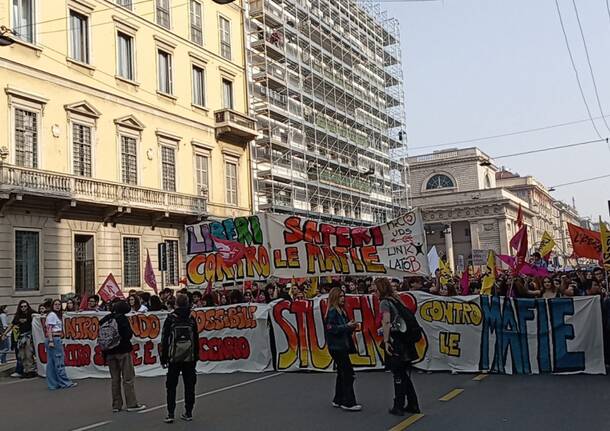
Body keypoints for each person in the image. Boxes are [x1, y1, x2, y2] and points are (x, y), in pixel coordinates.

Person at [376, 278, 420, 416]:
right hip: (406, 342)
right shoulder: (396, 300)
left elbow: (387, 321)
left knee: (398, 375)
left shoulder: (384, 302)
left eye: (375, 289)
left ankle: (399, 405)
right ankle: (413, 404)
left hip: (397, 342)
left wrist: (386, 340)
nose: (374, 292)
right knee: (404, 375)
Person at [99, 300, 146, 413]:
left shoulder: (105, 319)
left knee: (115, 379)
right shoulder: (122, 319)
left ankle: (116, 405)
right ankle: (131, 404)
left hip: (109, 352)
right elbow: (128, 335)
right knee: (128, 378)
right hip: (123, 351)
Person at [160, 294, 200, 423]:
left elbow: (165, 339)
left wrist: (164, 357)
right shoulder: (191, 318)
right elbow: (196, 339)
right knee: (189, 385)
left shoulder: (171, 318)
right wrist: (196, 356)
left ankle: (171, 413)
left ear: (176, 304)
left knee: (171, 386)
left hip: (174, 357)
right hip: (190, 357)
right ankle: (188, 412)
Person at [324, 287, 361, 412]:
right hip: (336, 346)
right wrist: (347, 326)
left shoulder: (341, 311)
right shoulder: (333, 311)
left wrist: (351, 326)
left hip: (341, 345)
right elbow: (331, 328)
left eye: (343, 296)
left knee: (342, 373)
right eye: (340, 296)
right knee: (348, 373)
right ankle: (348, 402)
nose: (343, 298)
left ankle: (338, 399)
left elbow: (341, 328)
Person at [45, 299, 77, 390]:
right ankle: (65, 382)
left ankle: (53, 384)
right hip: (54, 339)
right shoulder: (52, 315)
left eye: (59, 304)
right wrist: (51, 341)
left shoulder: (55, 315)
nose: (57, 306)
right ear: (52, 305)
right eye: (55, 304)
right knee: (59, 361)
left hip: (54, 338)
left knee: (51, 362)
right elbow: (49, 328)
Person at [1, 300, 37, 378]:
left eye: (25, 306)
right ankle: (25, 371)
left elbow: (39, 319)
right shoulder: (17, 315)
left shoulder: (32, 313)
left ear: (27, 306)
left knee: (29, 354)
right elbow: (12, 325)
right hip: (21, 337)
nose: (23, 308)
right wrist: (4, 333)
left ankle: (31, 370)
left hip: (29, 336)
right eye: (22, 306)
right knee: (22, 355)